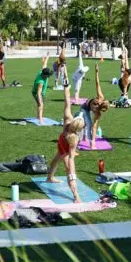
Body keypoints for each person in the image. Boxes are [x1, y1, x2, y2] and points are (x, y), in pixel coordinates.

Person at [46, 70, 86, 203]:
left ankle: (50, 177)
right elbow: (71, 159)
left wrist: (66, 83)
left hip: (60, 142)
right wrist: (71, 171)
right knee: (70, 171)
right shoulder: (74, 138)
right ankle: (76, 196)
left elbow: (67, 101)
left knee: (55, 160)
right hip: (66, 150)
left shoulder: (67, 120)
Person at [80, 63, 110, 149]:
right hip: (84, 108)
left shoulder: (97, 113)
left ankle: (89, 139)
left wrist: (93, 141)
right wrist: (96, 72)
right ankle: (86, 138)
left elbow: (94, 127)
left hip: (89, 109)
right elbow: (97, 84)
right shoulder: (100, 97)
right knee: (88, 124)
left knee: (90, 125)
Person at [32, 53, 53, 125]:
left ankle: (38, 117)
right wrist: (40, 101)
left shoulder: (42, 71)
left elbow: (45, 64)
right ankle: (40, 120)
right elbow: (38, 93)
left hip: (40, 92)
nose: (49, 76)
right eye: (48, 75)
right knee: (41, 105)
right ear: (45, 75)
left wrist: (47, 56)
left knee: (40, 104)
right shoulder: (40, 82)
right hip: (37, 93)